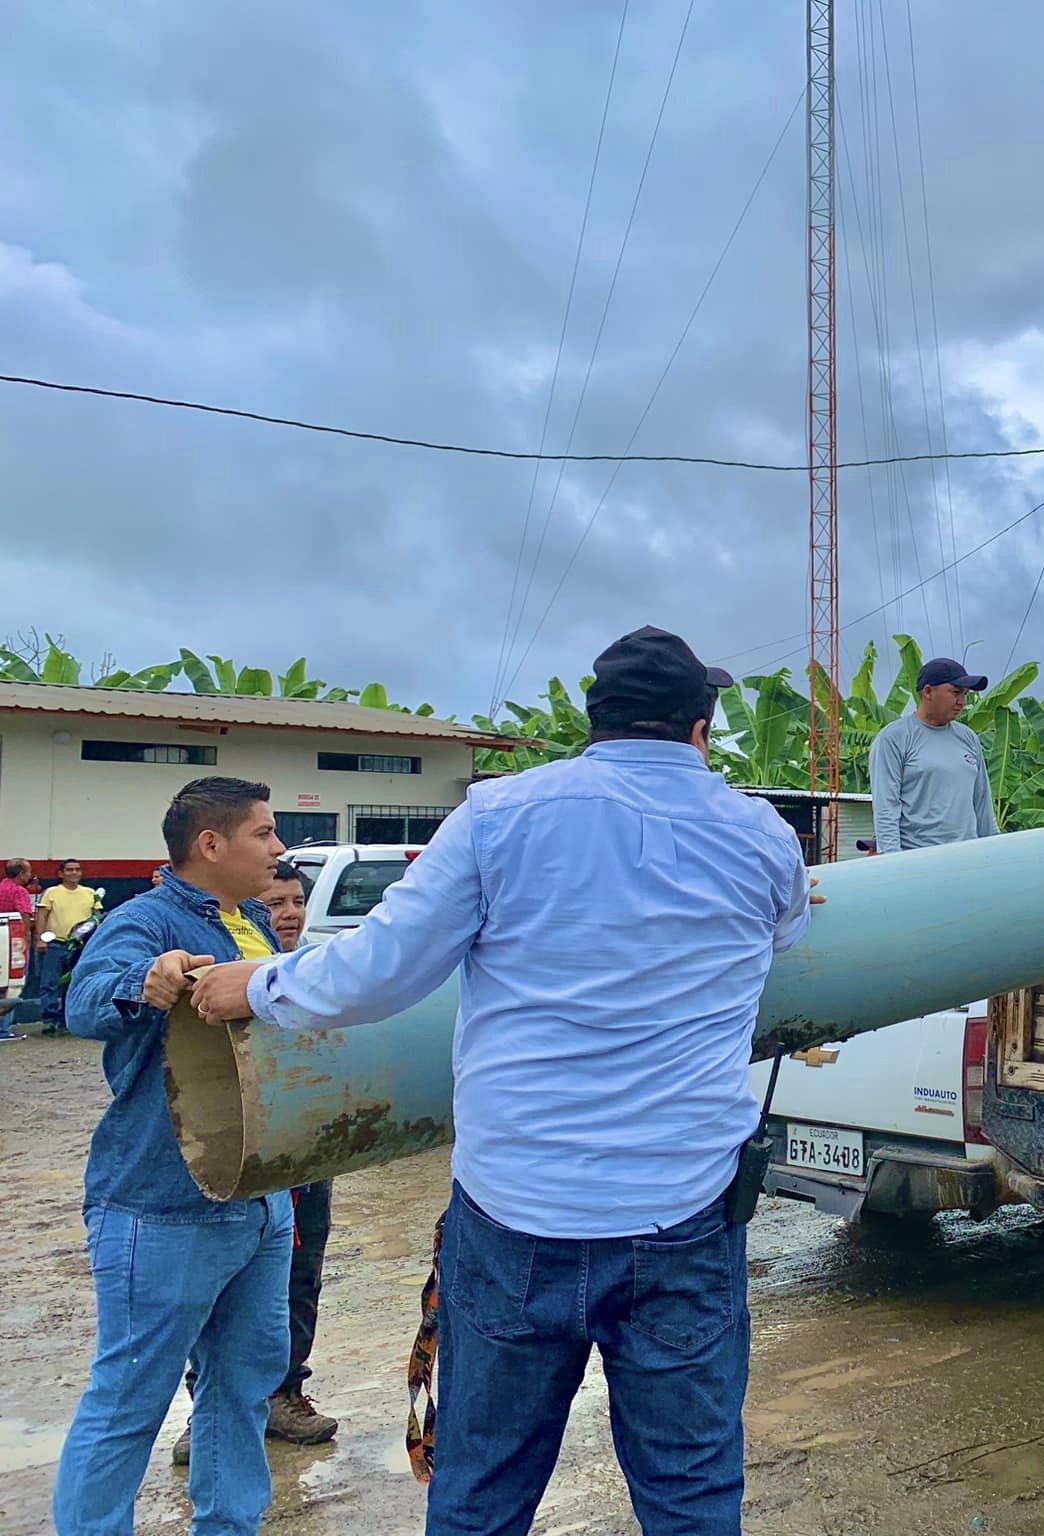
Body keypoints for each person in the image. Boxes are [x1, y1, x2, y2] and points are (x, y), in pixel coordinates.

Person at [187, 626, 818, 1534]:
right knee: (690, 1497)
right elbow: (789, 928)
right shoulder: (760, 834)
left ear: (595, 723)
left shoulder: (498, 815)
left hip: (517, 1215)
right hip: (682, 1219)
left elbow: (379, 972)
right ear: (699, 730)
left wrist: (257, 985)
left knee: (481, 1494)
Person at [51, 779, 293, 1536]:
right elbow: (84, 1004)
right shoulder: (145, 921)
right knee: (130, 1399)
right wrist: (148, 982)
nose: (279, 847)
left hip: (258, 1199)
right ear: (211, 844)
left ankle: (230, 1524)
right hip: (164, 1204)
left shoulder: (255, 920)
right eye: (263, 832)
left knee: (242, 1388)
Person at [172, 858, 337, 1466]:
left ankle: (285, 1393)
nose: (288, 914)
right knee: (226, 1285)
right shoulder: (223, 969)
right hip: (244, 1155)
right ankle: (208, 1409)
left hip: (306, 1155)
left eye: (296, 902)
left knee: (301, 1275)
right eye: (274, 904)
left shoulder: (319, 971)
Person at [869, 656, 1000, 853]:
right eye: (955, 692)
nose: (962, 702)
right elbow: (886, 808)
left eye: (965, 694)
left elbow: (982, 804)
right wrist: (892, 861)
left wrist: (996, 851)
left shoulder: (968, 738)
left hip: (968, 857)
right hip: (919, 859)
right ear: (928, 692)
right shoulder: (894, 738)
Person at [36, 858, 97, 1026]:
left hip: (81, 947)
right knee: (50, 983)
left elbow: (96, 918)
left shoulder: (90, 893)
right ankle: (49, 1019)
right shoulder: (51, 893)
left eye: (77, 869)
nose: (74, 872)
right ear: (61, 873)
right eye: (69, 870)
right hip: (56, 944)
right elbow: (42, 916)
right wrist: (40, 939)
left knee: (75, 982)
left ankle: (68, 1019)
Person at [0, 858, 33, 1040]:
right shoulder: (19, 891)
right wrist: (27, 940)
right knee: (13, 983)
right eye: (28, 872)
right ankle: (4, 1028)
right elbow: (24, 918)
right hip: (13, 942)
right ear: (21, 874)